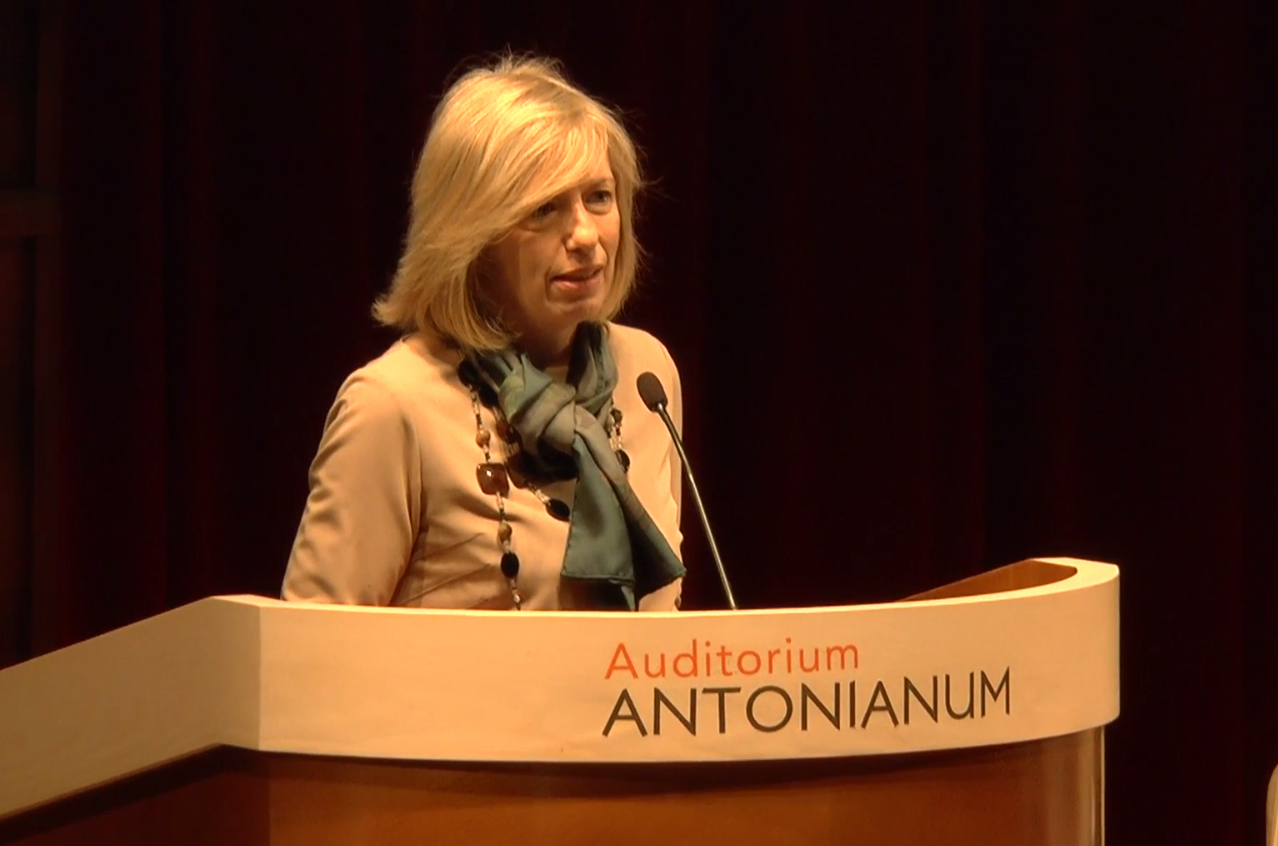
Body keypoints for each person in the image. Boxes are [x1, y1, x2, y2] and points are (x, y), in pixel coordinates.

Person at [281, 55, 686, 612]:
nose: (585, 235)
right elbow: (308, 650)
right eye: (544, 208)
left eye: (598, 197)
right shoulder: (393, 405)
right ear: (471, 236)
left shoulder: (646, 374)